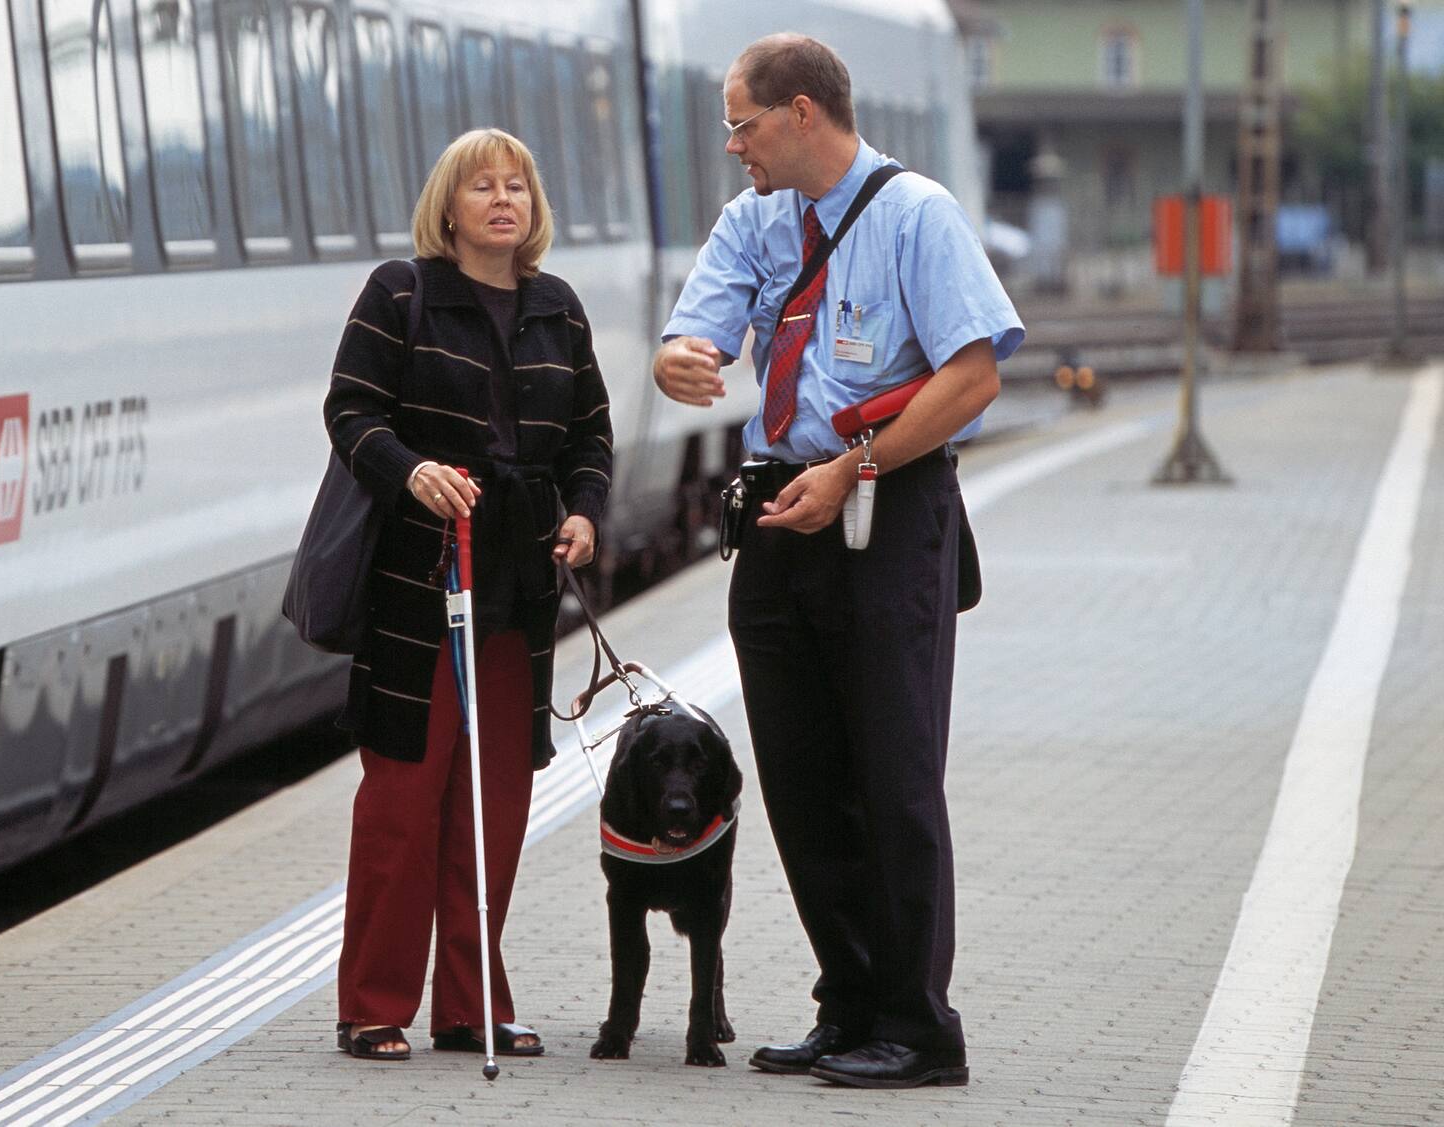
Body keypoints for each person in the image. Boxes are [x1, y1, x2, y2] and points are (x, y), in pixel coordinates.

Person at [652, 34, 1022, 1088]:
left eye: (742, 124)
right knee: (802, 777)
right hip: (779, 506)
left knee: (891, 775)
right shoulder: (754, 220)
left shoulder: (918, 217)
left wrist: (854, 465)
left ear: (801, 112)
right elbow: (694, 333)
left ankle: (918, 1024)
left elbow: (972, 377)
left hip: (882, 505)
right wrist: (677, 360)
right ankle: (848, 1001)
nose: (733, 146)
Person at [324, 128, 613, 1060]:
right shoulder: (399, 294)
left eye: (516, 187)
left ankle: (470, 1006)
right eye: (482, 186)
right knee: (403, 800)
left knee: (495, 803)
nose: (502, 200)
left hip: (519, 588)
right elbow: (349, 411)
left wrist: (585, 511)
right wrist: (411, 471)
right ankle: (372, 1002)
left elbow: (591, 436)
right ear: (447, 207)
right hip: (419, 585)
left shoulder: (557, 308)